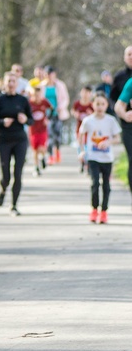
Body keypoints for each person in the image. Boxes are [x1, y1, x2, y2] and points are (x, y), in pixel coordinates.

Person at [0, 71, 33, 216]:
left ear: (17, 84)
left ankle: (14, 205)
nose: (11, 84)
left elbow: (31, 120)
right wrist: (2, 122)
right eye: (9, 81)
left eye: (14, 81)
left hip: (20, 139)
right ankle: (3, 189)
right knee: (6, 175)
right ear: (4, 83)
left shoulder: (23, 100)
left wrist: (25, 119)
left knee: (18, 173)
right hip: (3, 140)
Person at [79, 93, 122, 223]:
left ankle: (104, 211)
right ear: (92, 104)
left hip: (107, 158)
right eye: (97, 104)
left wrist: (108, 142)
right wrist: (81, 151)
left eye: (102, 104)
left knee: (106, 185)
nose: (99, 107)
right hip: (92, 157)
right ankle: (94, 209)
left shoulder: (111, 120)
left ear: (106, 105)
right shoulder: (88, 120)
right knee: (95, 183)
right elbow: (81, 136)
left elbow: (117, 138)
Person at [110, 46, 132, 198]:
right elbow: (116, 102)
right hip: (128, 125)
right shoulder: (123, 79)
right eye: (129, 54)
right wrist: (124, 115)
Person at [40, 66, 70, 165]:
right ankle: (50, 156)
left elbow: (65, 99)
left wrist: (60, 107)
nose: (48, 76)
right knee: (49, 135)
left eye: (50, 74)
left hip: (58, 113)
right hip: (47, 115)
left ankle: (57, 152)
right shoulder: (42, 86)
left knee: (57, 134)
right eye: (46, 74)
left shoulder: (60, 85)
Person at [27, 85, 53, 176]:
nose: (37, 97)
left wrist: (48, 119)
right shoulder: (29, 103)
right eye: (35, 95)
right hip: (33, 130)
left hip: (42, 129)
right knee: (35, 150)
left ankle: (43, 157)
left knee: (42, 147)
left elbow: (52, 109)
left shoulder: (44, 102)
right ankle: (36, 167)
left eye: (38, 95)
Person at [72, 86, 95, 173]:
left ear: (90, 94)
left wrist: (91, 114)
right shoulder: (77, 104)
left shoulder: (92, 105)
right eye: (84, 92)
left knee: (87, 145)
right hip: (79, 129)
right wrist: (75, 114)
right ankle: (82, 162)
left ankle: (88, 163)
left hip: (89, 130)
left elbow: (96, 115)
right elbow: (73, 111)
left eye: (87, 93)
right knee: (80, 144)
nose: (85, 95)